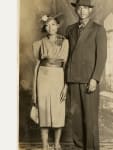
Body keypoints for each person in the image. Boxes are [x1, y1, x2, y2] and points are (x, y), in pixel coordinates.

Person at [66, 0, 107, 149]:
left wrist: (95, 78)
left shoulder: (98, 30)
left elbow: (102, 56)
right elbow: (67, 55)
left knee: (90, 119)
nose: (82, 11)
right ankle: (78, 147)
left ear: (90, 10)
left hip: (89, 79)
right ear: (76, 10)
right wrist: (66, 80)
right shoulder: (69, 29)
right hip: (72, 78)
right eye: (79, 8)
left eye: (85, 8)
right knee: (76, 119)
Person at [32, 13, 69, 150]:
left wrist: (66, 86)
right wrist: (34, 86)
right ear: (44, 28)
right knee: (44, 111)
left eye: (53, 24)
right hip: (43, 77)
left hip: (59, 77)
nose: (50, 27)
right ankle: (44, 145)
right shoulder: (39, 43)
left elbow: (66, 65)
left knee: (58, 110)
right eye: (47, 25)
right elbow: (37, 65)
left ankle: (57, 143)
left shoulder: (64, 42)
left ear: (58, 26)